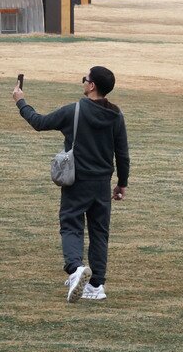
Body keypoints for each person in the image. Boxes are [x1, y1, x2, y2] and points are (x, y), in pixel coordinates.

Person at [13, 67, 130, 303]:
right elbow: (123, 153)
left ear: (92, 86)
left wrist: (21, 101)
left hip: (77, 182)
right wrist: (122, 183)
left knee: (70, 225)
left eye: (85, 80)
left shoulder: (74, 111)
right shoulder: (116, 115)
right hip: (101, 184)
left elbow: (39, 122)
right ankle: (96, 285)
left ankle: (76, 269)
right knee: (99, 233)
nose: (83, 83)